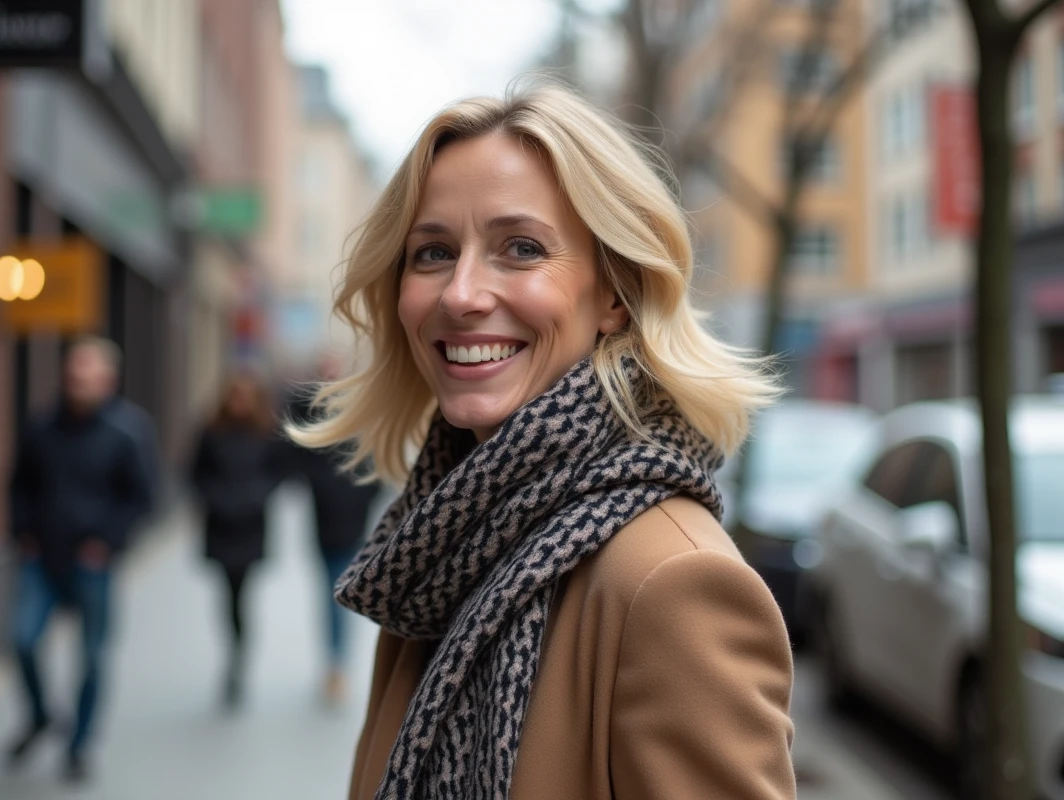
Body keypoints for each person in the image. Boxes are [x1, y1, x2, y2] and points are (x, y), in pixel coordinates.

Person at [288, 83, 797, 800]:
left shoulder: (672, 585)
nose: (460, 293)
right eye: (432, 252)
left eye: (521, 249)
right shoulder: (433, 551)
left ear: (615, 293)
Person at [5, 336, 156, 783]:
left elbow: (143, 495)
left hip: (93, 563)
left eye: (88, 376)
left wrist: (107, 542)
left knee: (91, 658)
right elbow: (18, 484)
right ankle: (39, 716)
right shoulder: (41, 427)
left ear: (108, 381)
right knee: (22, 641)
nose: (78, 384)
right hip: (41, 559)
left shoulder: (129, 430)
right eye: (73, 375)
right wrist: (23, 533)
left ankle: (79, 746)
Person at [282, 355, 380, 706]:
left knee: (337, 592)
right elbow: (295, 445)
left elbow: (375, 471)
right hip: (324, 521)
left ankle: (336, 663)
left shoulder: (362, 419)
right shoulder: (313, 414)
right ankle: (335, 662)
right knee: (331, 591)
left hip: (351, 523)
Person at [189, 374, 281, 708]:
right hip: (221, 526)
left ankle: (238, 658)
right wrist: (217, 499)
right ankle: (233, 652)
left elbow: (278, 473)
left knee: (243, 595)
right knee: (228, 595)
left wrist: (256, 496)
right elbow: (195, 474)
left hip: (251, 527)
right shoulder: (211, 433)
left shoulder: (265, 433)